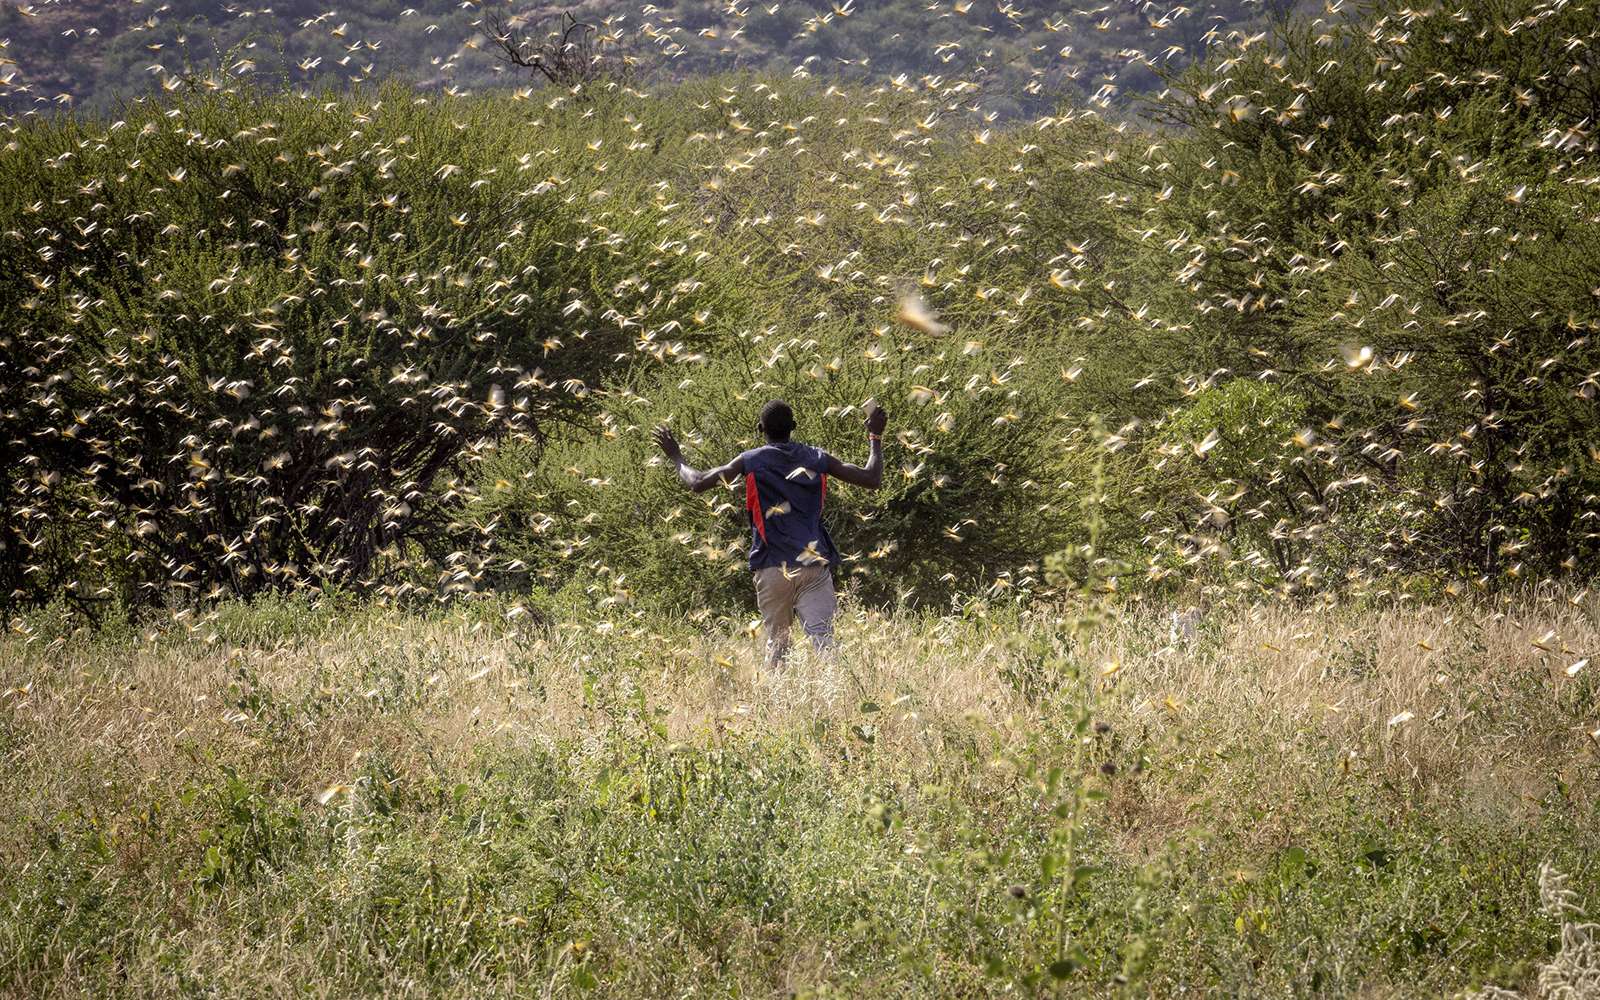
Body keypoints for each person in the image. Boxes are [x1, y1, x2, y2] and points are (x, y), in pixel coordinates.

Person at [652, 399, 887, 665]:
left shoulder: (751, 461)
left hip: (772, 566)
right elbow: (871, 479)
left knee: (778, 645)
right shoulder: (818, 458)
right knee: (824, 639)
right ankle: (836, 699)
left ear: (760, 428)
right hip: (813, 563)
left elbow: (697, 482)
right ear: (794, 427)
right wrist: (875, 435)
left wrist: (675, 456)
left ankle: (777, 704)